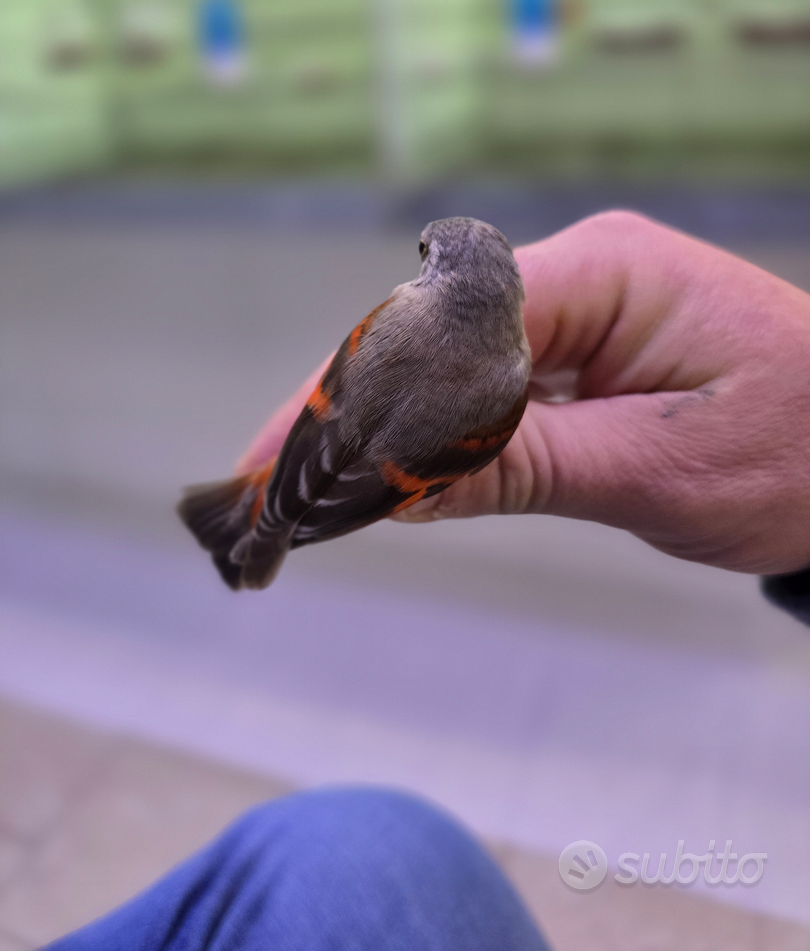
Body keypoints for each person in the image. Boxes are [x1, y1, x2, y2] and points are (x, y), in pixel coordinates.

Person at [48, 212, 810, 950]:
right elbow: (375, 464)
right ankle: (256, 520)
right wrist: (292, 518)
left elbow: (327, 422)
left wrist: (279, 509)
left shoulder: (409, 327)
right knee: (391, 842)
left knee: (384, 841)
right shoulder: (501, 379)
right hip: (336, 479)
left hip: (305, 466)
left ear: (429, 264)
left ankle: (252, 519)